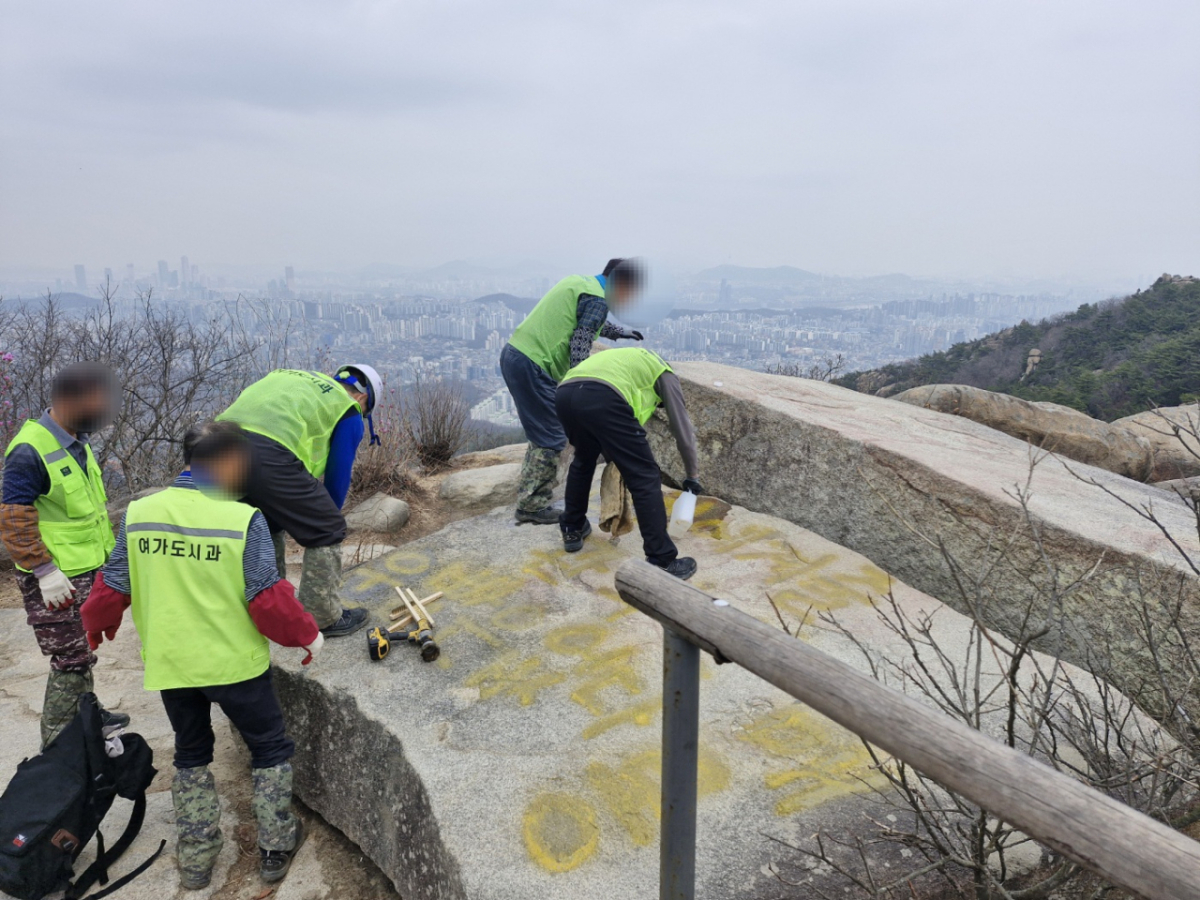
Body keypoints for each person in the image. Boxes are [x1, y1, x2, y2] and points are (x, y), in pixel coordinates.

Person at [82, 421, 324, 890]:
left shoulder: (139, 513)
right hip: (234, 664)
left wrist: (96, 624)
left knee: (191, 753)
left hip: (173, 664)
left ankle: (197, 856)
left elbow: (113, 584)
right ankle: (275, 846)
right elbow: (266, 599)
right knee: (269, 748)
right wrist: (306, 635)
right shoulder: (243, 519)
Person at [0, 361, 130, 748]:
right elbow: (13, 516)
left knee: (82, 649)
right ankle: (58, 748)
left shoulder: (75, 440)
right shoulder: (30, 450)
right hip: (56, 578)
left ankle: (88, 715)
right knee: (70, 660)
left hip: (84, 570)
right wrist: (43, 570)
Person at [216, 365, 384, 638]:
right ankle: (322, 617)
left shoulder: (295, 378)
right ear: (362, 398)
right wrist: (324, 519)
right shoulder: (349, 409)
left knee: (261, 522)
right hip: (266, 453)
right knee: (327, 526)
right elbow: (337, 477)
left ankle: (262, 606)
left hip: (213, 446)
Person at [502, 258, 646, 524]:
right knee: (551, 435)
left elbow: (586, 321)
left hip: (516, 355)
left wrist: (620, 333)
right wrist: (581, 383)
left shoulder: (581, 284)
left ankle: (530, 495)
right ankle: (531, 506)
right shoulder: (599, 299)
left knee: (542, 430)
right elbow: (581, 339)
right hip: (534, 365)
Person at [555, 347, 703, 580]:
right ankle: (661, 559)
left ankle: (572, 527)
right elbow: (683, 431)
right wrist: (692, 475)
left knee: (583, 458)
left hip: (565, 394)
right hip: (603, 396)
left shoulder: (629, 362)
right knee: (645, 476)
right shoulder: (666, 376)